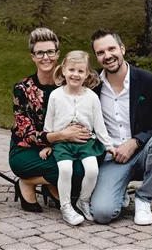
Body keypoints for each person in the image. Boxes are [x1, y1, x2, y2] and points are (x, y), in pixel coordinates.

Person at [90, 28, 152, 225]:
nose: (107, 56)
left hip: (143, 151)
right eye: (101, 52)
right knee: (102, 214)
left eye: (112, 49)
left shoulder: (149, 81)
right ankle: (119, 194)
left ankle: (143, 198)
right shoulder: (92, 85)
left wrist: (135, 142)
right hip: (111, 158)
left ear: (122, 49)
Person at [9, 28, 92, 212]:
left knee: (85, 169)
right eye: (40, 52)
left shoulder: (70, 84)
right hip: (27, 148)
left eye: (50, 52)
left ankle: (43, 183)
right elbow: (28, 134)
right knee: (69, 171)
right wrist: (62, 135)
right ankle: (28, 182)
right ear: (33, 57)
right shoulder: (22, 89)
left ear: (58, 54)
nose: (45, 57)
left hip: (63, 149)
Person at [42, 51, 116, 225]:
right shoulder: (56, 95)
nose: (75, 74)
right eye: (72, 70)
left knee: (92, 170)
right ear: (64, 71)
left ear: (87, 74)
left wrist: (108, 145)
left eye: (80, 71)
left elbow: (99, 125)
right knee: (65, 170)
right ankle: (66, 206)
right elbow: (49, 122)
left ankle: (83, 201)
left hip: (86, 143)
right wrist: (48, 144)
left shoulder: (91, 97)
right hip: (62, 144)